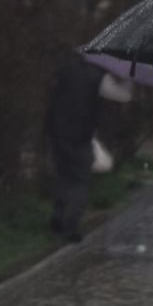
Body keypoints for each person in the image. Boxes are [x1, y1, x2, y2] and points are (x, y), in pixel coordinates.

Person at [45, 50, 106, 242]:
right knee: (80, 182)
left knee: (63, 176)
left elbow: (53, 99)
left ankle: (57, 217)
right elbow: (97, 111)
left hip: (59, 134)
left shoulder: (66, 70)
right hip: (81, 137)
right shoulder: (97, 78)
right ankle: (71, 227)